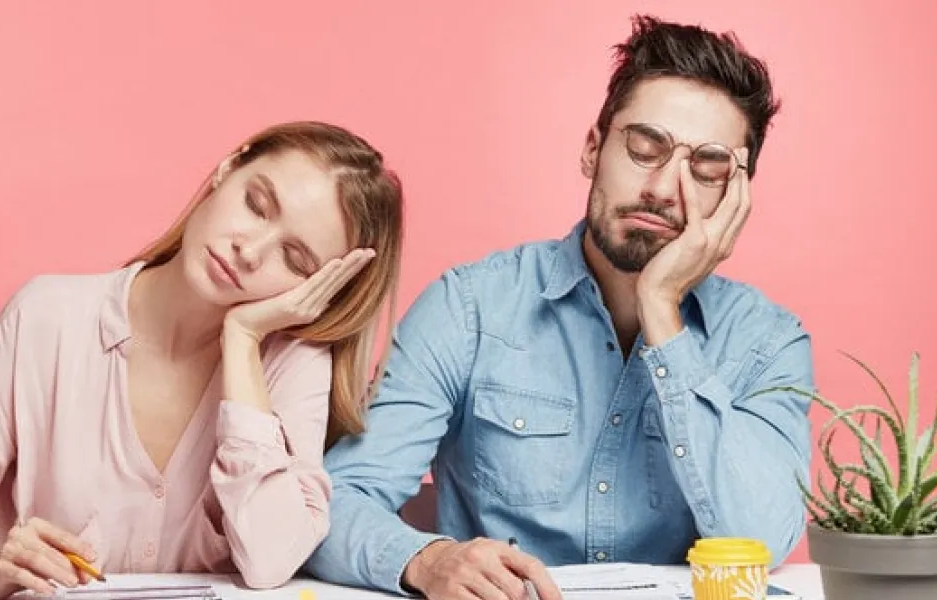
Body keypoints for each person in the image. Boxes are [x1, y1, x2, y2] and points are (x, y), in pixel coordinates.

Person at [304, 14, 815, 600]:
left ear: (735, 199)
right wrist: (429, 558)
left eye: (707, 167)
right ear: (592, 149)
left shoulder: (770, 341)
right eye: (645, 147)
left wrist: (662, 309)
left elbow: (764, 537)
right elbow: (335, 503)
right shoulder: (469, 308)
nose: (664, 188)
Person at [0, 121, 405, 599]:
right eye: (256, 204)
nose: (249, 251)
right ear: (227, 169)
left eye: (296, 260)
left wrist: (242, 339)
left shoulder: (293, 364)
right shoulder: (47, 317)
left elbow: (271, 559)